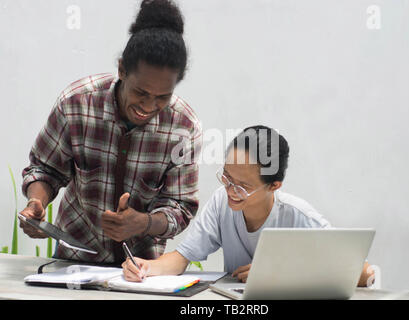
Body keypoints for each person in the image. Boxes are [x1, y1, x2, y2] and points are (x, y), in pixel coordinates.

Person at [19, 0, 202, 264]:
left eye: (163, 97)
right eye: (141, 92)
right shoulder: (76, 104)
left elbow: (180, 206)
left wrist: (143, 223)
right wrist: (37, 201)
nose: (148, 106)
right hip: (74, 261)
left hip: (141, 271)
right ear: (121, 70)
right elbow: (45, 169)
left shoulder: (183, 128)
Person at [122, 125, 375, 286]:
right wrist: (147, 267)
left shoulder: (298, 216)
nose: (231, 191)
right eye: (227, 178)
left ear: (274, 186)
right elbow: (181, 258)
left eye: (242, 186)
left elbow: (364, 274)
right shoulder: (222, 202)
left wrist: (280, 274)